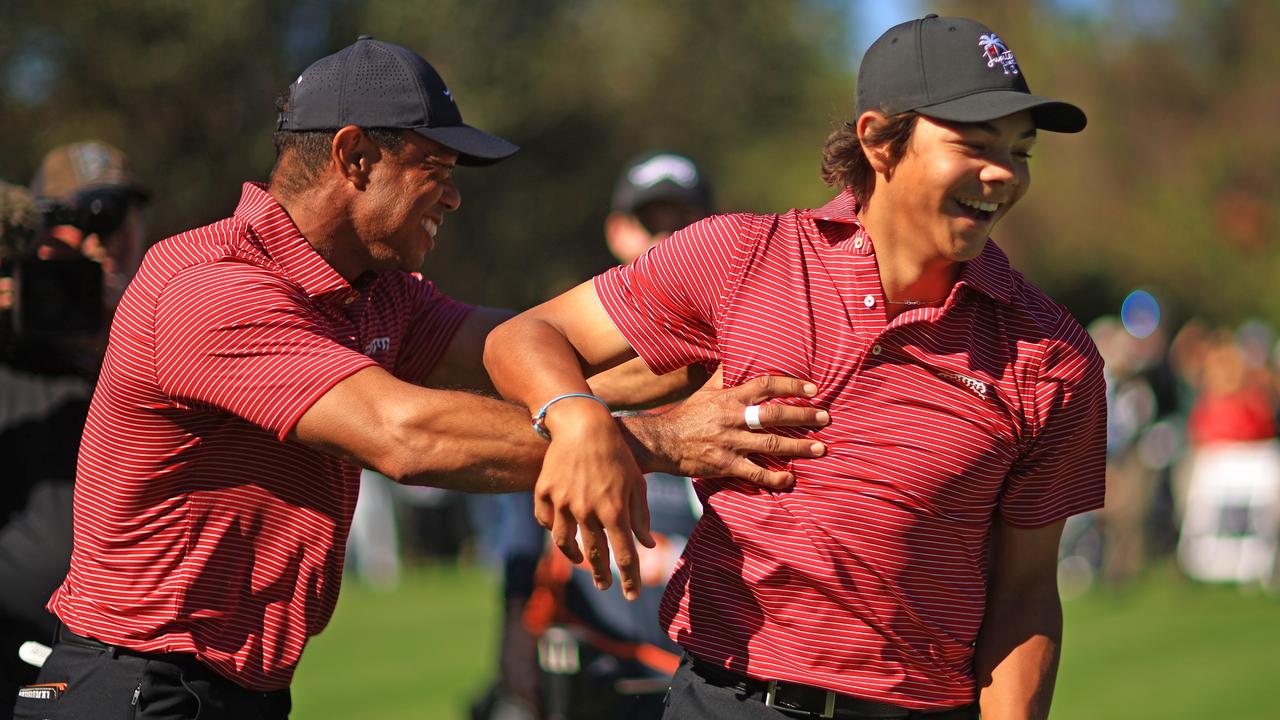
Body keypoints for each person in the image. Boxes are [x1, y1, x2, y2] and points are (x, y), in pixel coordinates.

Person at [14, 38, 827, 720]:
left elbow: (522, 346)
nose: (456, 195)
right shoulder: (210, 287)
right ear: (354, 156)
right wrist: (660, 442)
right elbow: (406, 435)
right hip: (128, 685)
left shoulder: (377, 291)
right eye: (435, 165)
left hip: (224, 690)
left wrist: (724, 344)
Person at [484, 15, 1107, 720]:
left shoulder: (1053, 355)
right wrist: (579, 421)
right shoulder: (741, 259)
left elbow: (1025, 593)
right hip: (728, 702)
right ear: (878, 140)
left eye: (1020, 151)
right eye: (975, 143)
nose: (1004, 174)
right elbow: (524, 335)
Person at [475, 151, 715, 720]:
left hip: (711, 667)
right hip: (596, 659)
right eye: (649, 223)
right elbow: (521, 532)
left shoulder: (741, 359)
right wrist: (515, 634)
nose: (665, 239)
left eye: (680, 223)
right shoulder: (563, 377)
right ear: (616, 231)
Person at [0, 143, 151, 705]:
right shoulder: (10, 358)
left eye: (118, 218)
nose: (102, 240)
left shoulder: (160, 341)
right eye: (79, 219)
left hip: (134, 675)